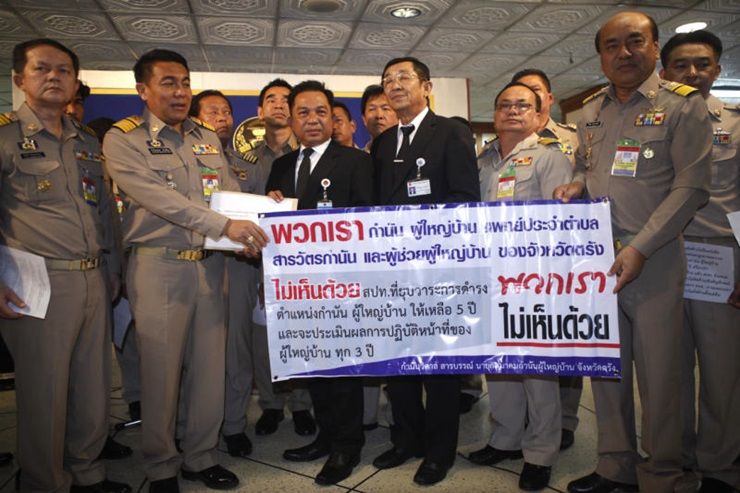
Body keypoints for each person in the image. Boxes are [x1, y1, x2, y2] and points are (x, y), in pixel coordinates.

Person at [553, 11, 712, 493]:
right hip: (598, 264)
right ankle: (614, 467)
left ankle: (663, 474)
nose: (623, 53)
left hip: (654, 260)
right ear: (601, 57)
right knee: (607, 371)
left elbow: (691, 187)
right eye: (612, 45)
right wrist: (576, 185)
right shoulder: (590, 112)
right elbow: (590, 168)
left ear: (655, 47)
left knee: (663, 379)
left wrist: (641, 246)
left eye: (634, 42)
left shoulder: (683, 105)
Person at [103, 48, 267, 492]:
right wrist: (225, 226)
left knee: (209, 371)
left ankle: (200, 456)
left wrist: (254, 225)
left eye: (185, 83)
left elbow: (228, 193)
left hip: (211, 268)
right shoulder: (124, 139)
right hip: (159, 268)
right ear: (143, 89)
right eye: (168, 83)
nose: (180, 92)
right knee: (160, 372)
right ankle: (161, 466)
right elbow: (161, 199)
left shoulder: (206, 137)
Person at [0, 38, 129, 493]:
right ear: (20, 79)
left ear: (75, 82)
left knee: (93, 387)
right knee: (45, 392)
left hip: (94, 276)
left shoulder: (86, 141)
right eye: (42, 68)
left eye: (64, 70)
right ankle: (43, 482)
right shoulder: (5, 137)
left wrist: (113, 268)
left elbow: (105, 213)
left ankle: (86, 472)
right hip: (38, 282)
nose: (54, 76)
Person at [370, 56, 480, 486]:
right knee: (398, 365)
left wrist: (421, 233)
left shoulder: (450, 131)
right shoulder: (382, 143)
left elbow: (465, 198)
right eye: (387, 80)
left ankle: (439, 452)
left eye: (404, 77)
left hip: (438, 272)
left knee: (439, 370)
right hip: (392, 274)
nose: (394, 85)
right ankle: (406, 440)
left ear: (427, 87)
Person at [189, 88, 314, 458]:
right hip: (233, 263)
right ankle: (246, 415)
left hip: (283, 263)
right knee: (239, 346)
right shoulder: (237, 159)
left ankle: (300, 405)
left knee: (290, 336)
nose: (222, 118)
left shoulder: (304, 155)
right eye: (213, 111)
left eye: (226, 111)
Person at [267, 80, 373, 486]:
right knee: (313, 366)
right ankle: (326, 436)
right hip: (297, 288)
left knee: (342, 369)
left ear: (333, 118)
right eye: (304, 112)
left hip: (341, 285)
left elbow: (366, 221)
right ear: (292, 120)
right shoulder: (281, 167)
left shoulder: (355, 162)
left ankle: (348, 445)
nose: (313, 119)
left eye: (321, 112)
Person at [470, 82, 573, 491]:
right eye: (504, 105)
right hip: (490, 278)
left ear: (538, 114)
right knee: (500, 365)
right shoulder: (483, 160)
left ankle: (540, 453)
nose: (512, 111)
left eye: (522, 105)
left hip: (534, 280)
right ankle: (505, 438)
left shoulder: (549, 157)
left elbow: (561, 225)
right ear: (495, 113)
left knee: (537, 369)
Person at [660, 30, 740, 493]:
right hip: (661, 257)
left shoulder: (735, 124)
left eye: (703, 64)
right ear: (664, 72)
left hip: (717, 257)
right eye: (681, 65)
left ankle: (720, 467)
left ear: (718, 70)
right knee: (667, 371)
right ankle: (676, 460)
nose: (692, 73)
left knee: (720, 371)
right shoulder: (648, 122)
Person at [511, 68, 581, 450]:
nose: (522, 104)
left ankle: (562, 423)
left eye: (533, 94)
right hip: (510, 271)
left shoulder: (568, 141)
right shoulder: (497, 152)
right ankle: (521, 427)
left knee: (561, 356)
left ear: (546, 101)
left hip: (550, 267)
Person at [360, 84, 397, 153]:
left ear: (399, 116)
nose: (379, 115)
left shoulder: (409, 154)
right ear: (364, 119)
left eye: (385, 108)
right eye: (372, 109)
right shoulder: (356, 158)